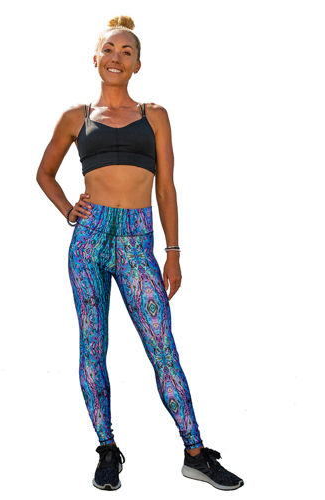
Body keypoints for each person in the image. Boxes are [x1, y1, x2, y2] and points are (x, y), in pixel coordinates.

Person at [36, 15, 244, 492]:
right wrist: (69, 209)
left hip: (136, 240)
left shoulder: (155, 115)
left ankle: (195, 453)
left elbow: (166, 188)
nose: (117, 57)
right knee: (92, 347)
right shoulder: (75, 117)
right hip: (89, 241)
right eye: (109, 49)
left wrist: (173, 252)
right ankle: (107, 449)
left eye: (126, 51)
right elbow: (44, 172)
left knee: (162, 347)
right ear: (95, 58)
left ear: (137, 65)